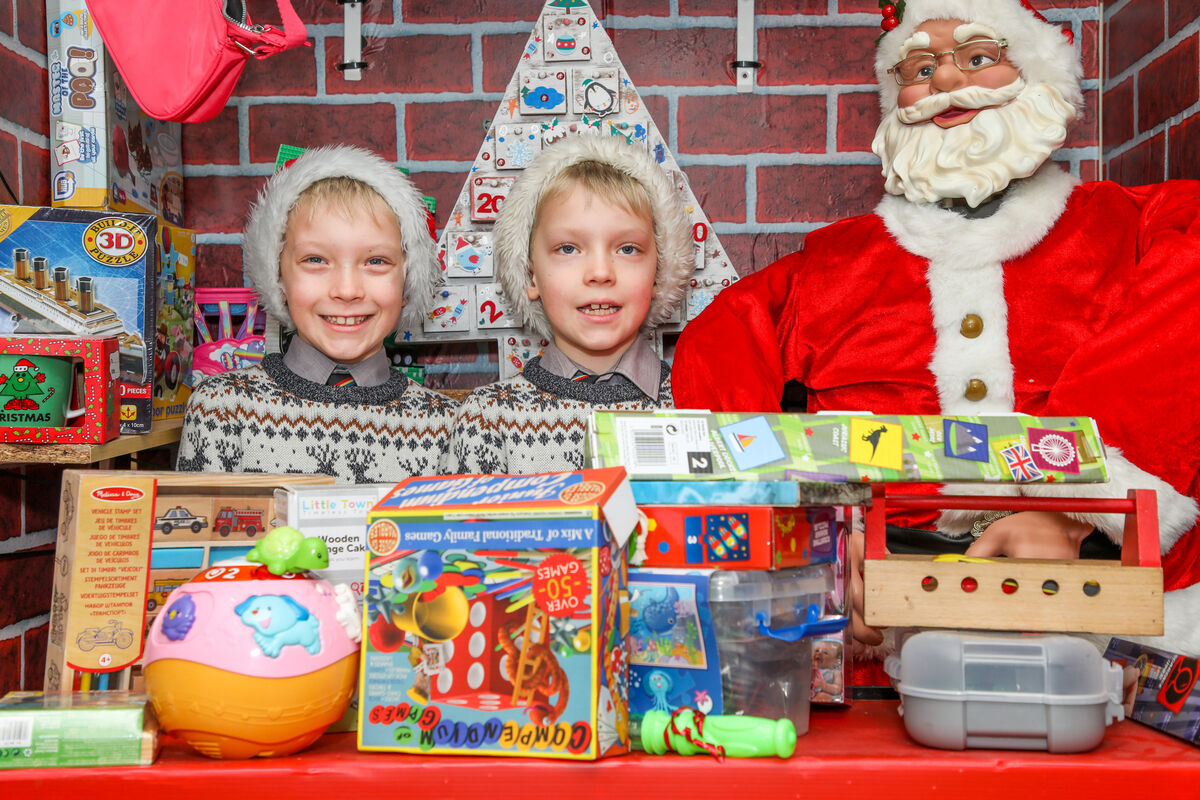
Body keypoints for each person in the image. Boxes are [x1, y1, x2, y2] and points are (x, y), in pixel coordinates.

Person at [670, 0, 1200, 655]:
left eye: (979, 57)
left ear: (1039, 76)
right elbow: (717, 351)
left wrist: (1072, 503)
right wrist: (808, 543)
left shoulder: (1131, 225)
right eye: (920, 67)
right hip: (887, 626)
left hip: (1111, 613)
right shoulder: (830, 263)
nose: (947, 82)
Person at [177, 145, 458, 483]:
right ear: (278, 277)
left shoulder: (448, 425)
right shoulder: (221, 409)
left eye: (376, 261)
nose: (347, 289)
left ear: (408, 281)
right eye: (316, 260)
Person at [446, 134, 693, 474]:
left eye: (627, 249)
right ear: (531, 277)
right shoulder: (488, 418)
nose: (600, 273)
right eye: (568, 248)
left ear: (658, 272)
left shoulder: (692, 406)